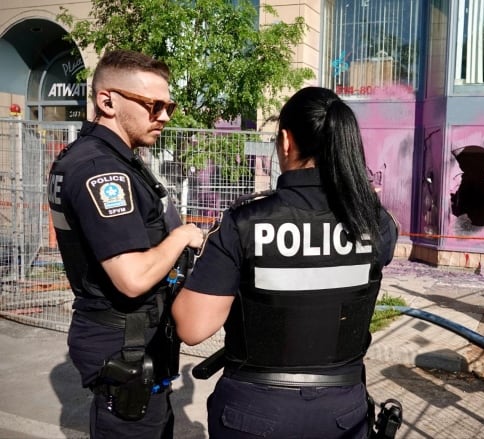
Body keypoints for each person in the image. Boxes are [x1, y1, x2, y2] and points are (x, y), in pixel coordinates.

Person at [172, 86, 398, 438]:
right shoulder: (376, 223)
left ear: (286, 141)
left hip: (253, 414)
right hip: (342, 415)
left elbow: (192, 328)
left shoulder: (244, 222)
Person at [47, 49, 204, 438]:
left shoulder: (108, 159)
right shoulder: (100, 171)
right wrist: (182, 236)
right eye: (154, 105)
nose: (165, 116)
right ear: (107, 101)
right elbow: (131, 277)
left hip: (134, 339)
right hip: (127, 347)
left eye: (169, 105)